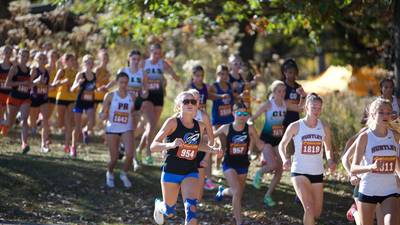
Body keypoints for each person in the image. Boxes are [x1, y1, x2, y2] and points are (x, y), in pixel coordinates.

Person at [151, 90, 220, 225]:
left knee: (191, 209)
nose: (190, 104)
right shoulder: (172, 122)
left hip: (190, 171)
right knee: (169, 211)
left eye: (193, 102)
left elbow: (197, 145)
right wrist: (170, 144)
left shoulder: (200, 126)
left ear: (197, 106)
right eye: (186, 101)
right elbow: (153, 146)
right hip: (171, 171)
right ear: (179, 106)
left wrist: (213, 150)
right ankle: (159, 206)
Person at [279, 93, 336, 225]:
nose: (316, 111)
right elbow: (282, 144)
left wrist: (330, 160)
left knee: (316, 213)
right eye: (313, 107)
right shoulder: (296, 126)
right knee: (309, 209)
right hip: (299, 172)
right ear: (306, 107)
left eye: (319, 108)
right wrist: (284, 159)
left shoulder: (324, 127)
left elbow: (328, 148)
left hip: (317, 173)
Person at [214, 102, 264, 225]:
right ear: (233, 113)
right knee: (236, 191)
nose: (242, 116)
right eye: (239, 113)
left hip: (243, 164)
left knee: (237, 192)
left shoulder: (250, 128)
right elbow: (211, 136)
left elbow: (259, 144)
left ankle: (223, 192)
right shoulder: (227, 127)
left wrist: (267, 153)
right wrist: (213, 147)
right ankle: (239, 222)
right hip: (229, 163)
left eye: (244, 113)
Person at [351, 97, 400, 225]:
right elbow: (354, 168)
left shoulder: (395, 136)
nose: (385, 115)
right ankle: (354, 212)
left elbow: (396, 162)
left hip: (390, 190)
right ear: (373, 114)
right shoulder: (365, 137)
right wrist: (371, 167)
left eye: (388, 112)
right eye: (381, 112)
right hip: (368, 190)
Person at [140, 43, 180, 165]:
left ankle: (139, 149)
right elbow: (137, 76)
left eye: (159, 53)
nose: (157, 56)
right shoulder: (144, 63)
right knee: (151, 125)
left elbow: (173, 74)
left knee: (152, 127)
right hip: (146, 97)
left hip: (158, 96)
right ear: (150, 52)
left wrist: (174, 76)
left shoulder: (162, 63)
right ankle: (148, 153)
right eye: (155, 53)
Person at [251, 80, 289, 207]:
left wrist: (304, 95)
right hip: (266, 139)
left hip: (279, 140)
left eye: (284, 91)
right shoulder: (269, 104)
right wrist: (254, 136)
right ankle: (259, 173)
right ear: (273, 92)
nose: (282, 93)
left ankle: (268, 195)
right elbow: (253, 118)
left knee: (279, 169)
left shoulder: (285, 104)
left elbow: (300, 107)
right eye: (279, 91)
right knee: (272, 165)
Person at [100, 72, 135, 188]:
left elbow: (135, 112)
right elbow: (102, 113)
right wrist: (103, 116)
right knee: (114, 158)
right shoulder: (110, 96)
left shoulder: (132, 96)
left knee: (130, 154)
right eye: (121, 82)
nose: (123, 85)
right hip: (112, 128)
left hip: (127, 128)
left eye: (125, 82)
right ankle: (109, 173)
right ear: (117, 82)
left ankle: (123, 174)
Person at [187, 65, 217, 190]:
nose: (200, 78)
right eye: (197, 76)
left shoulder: (205, 87)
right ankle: (189, 178)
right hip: (191, 125)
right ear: (193, 76)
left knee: (207, 150)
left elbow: (212, 95)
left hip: (203, 120)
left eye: (201, 76)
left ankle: (208, 179)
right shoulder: (190, 89)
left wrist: (223, 96)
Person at [117, 50, 148, 164]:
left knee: (134, 129)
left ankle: (124, 147)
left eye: (138, 59)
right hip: (124, 103)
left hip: (136, 104)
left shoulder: (142, 73)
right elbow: (117, 84)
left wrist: (144, 95)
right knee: (123, 128)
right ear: (129, 59)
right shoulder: (123, 71)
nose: (135, 61)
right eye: (133, 59)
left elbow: (145, 89)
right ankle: (128, 153)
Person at [186, 88, 215, 201]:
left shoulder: (203, 116)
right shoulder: (180, 115)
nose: (196, 102)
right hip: (185, 152)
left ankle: (196, 206)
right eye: (193, 100)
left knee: (199, 182)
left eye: (198, 100)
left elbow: (211, 140)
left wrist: (207, 157)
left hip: (200, 153)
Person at [2, 49, 32, 153]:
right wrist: (20, 83)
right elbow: (7, 84)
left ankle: (24, 144)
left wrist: (36, 83)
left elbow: (30, 85)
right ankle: (3, 128)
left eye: (26, 56)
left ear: (28, 58)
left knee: (24, 120)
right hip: (14, 97)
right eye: (22, 56)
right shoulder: (14, 68)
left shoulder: (29, 70)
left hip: (25, 98)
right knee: (9, 123)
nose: (24, 58)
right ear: (18, 56)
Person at [70, 54, 97, 158]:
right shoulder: (80, 75)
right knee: (77, 126)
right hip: (80, 102)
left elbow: (94, 88)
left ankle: (85, 130)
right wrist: (77, 84)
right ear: (84, 63)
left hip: (90, 101)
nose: (89, 64)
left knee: (92, 121)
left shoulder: (94, 76)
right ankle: (73, 147)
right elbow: (72, 89)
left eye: (90, 62)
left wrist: (100, 89)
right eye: (87, 62)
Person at [209, 64, 235, 170]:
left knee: (229, 145)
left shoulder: (229, 86)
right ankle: (217, 167)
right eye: (221, 73)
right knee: (223, 145)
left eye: (225, 74)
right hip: (218, 120)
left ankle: (225, 166)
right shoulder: (214, 86)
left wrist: (239, 98)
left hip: (229, 119)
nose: (223, 76)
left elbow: (233, 98)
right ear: (217, 74)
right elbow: (208, 96)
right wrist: (220, 96)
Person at [52, 53, 78, 153]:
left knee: (69, 123)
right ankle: (44, 127)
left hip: (72, 99)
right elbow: (54, 84)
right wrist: (63, 82)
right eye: (71, 60)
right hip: (61, 98)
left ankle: (67, 145)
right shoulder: (61, 71)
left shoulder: (76, 73)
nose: (73, 62)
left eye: (73, 60)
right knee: (60, 123)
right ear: (65, 61)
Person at [281, 59, 306, 156]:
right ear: (285, 72)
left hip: (295, 118)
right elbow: (281, 104)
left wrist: (302, 97)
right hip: (283, 119)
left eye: (294, 73)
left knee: (296, 140)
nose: (292, 75)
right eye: (290, 72)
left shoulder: (298, 87)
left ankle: (294, 160)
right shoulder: (282, 86)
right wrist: (292, 106)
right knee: (285, 141)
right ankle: (285, 160)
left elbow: (302, 104)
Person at [29, 52, 52, 152]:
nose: (42, 60)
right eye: (40, 58)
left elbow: (47, 85)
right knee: (32, 121)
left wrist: (47, 92)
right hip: (34, 97)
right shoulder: (34, 70)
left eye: (44, 58)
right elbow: (29, 84)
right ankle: (32, 126)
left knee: (45, 120)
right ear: (36, 59)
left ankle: (44, 144)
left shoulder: (47, 71)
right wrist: (37, 81)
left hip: (43, 98)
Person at [46, 49, 60, 126]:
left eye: (55, 56)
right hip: (45, 93)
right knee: (44, 113)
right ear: (48, 57)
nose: (53, 58)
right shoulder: (45, 68)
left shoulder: (58, 69)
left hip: (54, 94)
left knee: (49, 114)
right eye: (51, 56)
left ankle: (42, 127)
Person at [0, 45, 13, 124]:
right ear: (1, 53)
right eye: (5, 52)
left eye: (9, 52)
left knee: (5, 111)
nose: (7, 54)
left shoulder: (14, 67)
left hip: (9, 93)